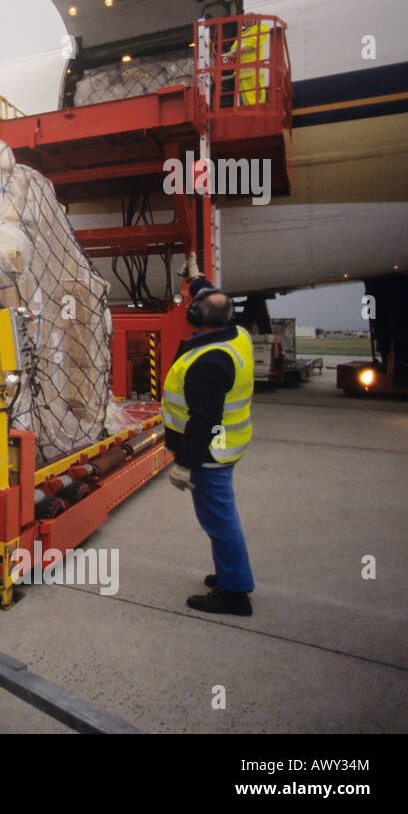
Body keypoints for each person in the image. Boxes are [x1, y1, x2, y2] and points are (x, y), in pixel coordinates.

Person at [161, 260, 255, 616]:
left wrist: (185, 464)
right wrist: (196, 276)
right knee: (220, 518)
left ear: (197, 318)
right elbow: (209, 296)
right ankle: (230, 574)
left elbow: (204, 420)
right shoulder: (237, 334)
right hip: (229, 446)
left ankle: (235, 593)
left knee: (219, 520)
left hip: (210, 454)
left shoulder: (209, 361)